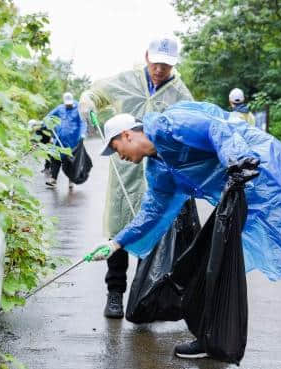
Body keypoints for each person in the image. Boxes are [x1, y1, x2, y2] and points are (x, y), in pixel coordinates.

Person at [85, 102, 281, 369]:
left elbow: (216, 129)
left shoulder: (170, 125)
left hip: (264, 179)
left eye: (116, 148)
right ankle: (211, 337)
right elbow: (151, 213)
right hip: (236, 197)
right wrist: (116, 243)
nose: (119, 157)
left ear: (127, 135)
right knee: (212, 264)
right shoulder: (158, 169)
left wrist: (237, 161)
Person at [78, 37, 195, 318]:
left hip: (160, 172)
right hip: (126, 169)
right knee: (119, 228)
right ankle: (115, 293)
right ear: (146, 57)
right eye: (156, 63)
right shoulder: (127, 80)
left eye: (166, 66)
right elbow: (95, 94)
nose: (159, 70)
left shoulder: (180, 94)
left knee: (154, 229)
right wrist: (87, 101)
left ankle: (144, 295)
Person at [44, 92, 87, 189]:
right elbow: (48, 117)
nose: (69, 105)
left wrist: (83, 134)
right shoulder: (60, 108)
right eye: (67, 104)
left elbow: (83, 122)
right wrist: (47, 122)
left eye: (70, 104)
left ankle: (71, 180)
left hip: (73, 141)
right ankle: (53, 179)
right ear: (64, 102)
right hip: (60, 139)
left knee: (70, 160)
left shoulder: (78, 108)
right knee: (56, 159)